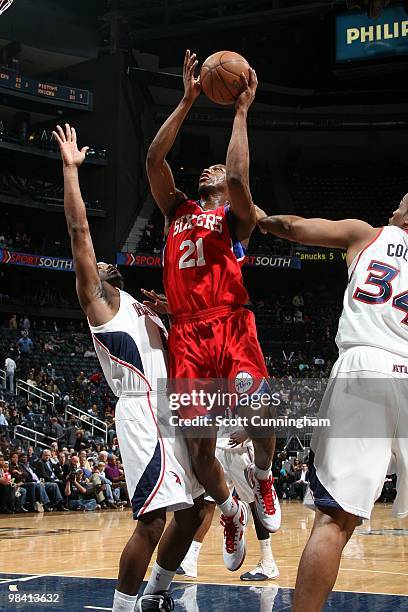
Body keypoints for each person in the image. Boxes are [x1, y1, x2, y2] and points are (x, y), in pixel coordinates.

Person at [54, 122, 207, 612]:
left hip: (173, 405)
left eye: (102, 263)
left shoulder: (141, 306)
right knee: (153, 521)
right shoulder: (98, 300)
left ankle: (157, 594)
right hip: (141, 411)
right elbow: (79, 230)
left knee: (197, 507)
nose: (99, 265)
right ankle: (123, 606)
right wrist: (71, 171)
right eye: (94, 265)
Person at [146, 49, 281, 571]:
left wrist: (240, 112)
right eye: (211, 169)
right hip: (186, 336)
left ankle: (264, 480)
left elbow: (242, 183)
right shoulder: (176, 208)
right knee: (201, 449)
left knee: (261, 409)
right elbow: (154, 161)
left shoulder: (235, 219)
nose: (211, 168)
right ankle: (229, 510)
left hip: (230, 323)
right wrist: (186, 100)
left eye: (218, 169)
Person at [256, 199, 408, 611]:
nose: (393, 209)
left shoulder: (367, 233)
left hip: (366, 366)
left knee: (334, 520)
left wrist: (259, 219)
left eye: (400, 205)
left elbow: (294, 226)